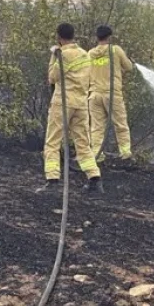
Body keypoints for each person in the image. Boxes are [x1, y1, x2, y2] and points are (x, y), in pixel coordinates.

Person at [42, 23, 102, 193]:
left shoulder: (63, 55)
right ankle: (95, 179)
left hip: (63, 103)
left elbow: (52, 78)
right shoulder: (84, 54)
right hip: (81, 104)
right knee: (83, 143)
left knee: (52, 142)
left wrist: (54, 56)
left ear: (59, 37)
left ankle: (52, 180)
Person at [88, 24, 134, 162]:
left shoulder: (90, 54)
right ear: (109, 37)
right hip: (112, 94)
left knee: (96, 127)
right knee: (120, 124)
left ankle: (97, 155)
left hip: (94, 95)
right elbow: (129, 67)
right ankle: (125, 152)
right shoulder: (115, 50)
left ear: (97, 37)